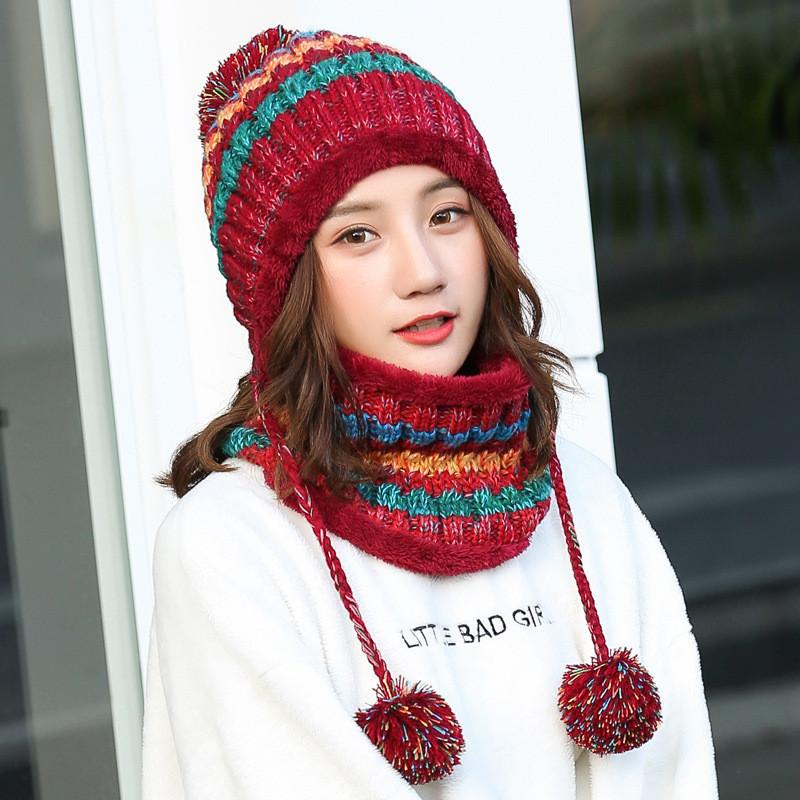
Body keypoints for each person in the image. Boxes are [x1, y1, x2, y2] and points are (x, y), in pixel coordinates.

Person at [141, 24, 719, 799]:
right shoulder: (232, 545)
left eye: (446, 214)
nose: (423, 271)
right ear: (283, 285)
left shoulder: (583, 498)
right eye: (357, 234)